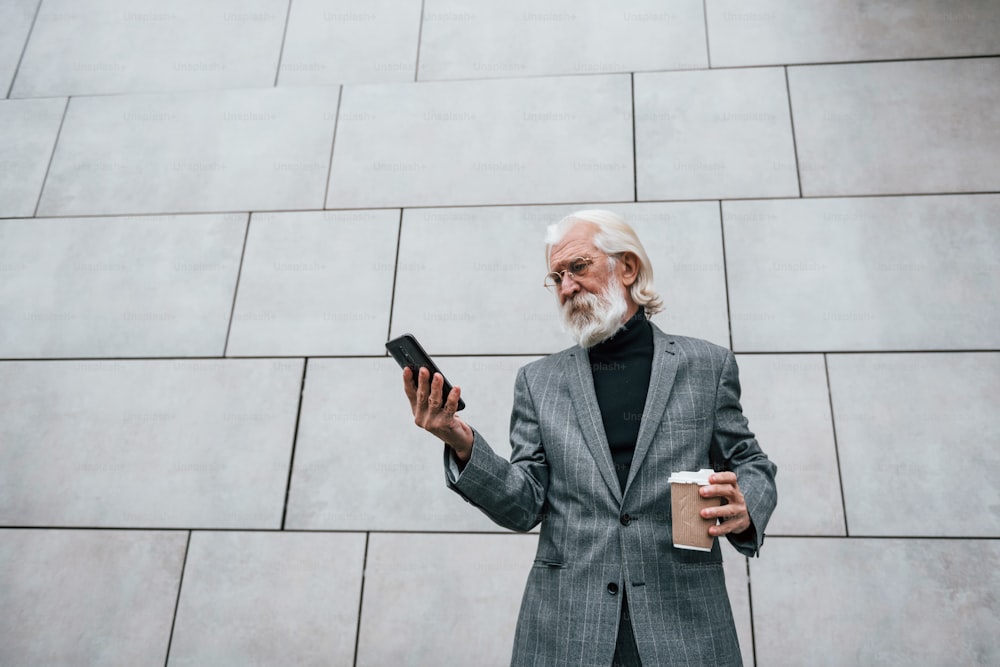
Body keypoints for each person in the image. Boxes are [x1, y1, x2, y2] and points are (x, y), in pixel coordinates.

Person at [402, 210, 777, 666]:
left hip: (684, 627)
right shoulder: (538, 382)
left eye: (578, 267)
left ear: (628, 267)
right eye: (556, 277)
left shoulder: (707, 365)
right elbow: (524, 504)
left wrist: (745, 507)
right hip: (567, 630)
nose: (566, 287)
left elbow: (750, 461)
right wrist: (461, 442)